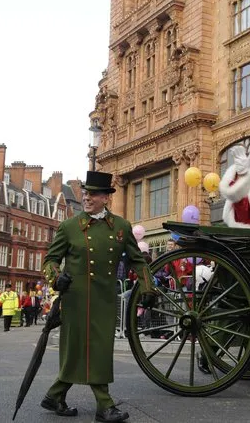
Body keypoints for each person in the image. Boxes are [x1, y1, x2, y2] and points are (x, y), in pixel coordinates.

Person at [40, 171, 155, 423]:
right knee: (78, 348)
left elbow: (138, 261)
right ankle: (104, 405)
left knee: (99, 348)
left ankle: (55, 395)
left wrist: (148, 288)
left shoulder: (121, 227)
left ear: (106, 198)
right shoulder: (70, 227)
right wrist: (55, 278)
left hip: (104, 300)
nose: (87, 198)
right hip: (76, 299)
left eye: (93, 194)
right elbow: (50, 260)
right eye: (85, 193)